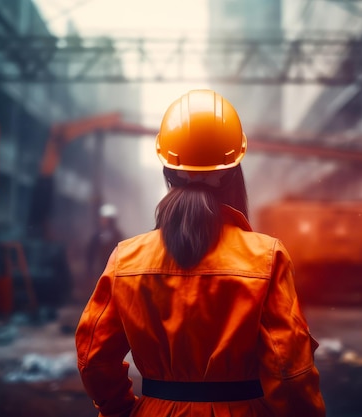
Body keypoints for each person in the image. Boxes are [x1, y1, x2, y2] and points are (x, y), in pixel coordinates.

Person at [75, 89, 326, 417]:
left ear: (168, 170)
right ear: (233, 170)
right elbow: (289, 368)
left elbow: (94, 357)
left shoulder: (126, 258)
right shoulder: (267, 257)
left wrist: (124, 410)